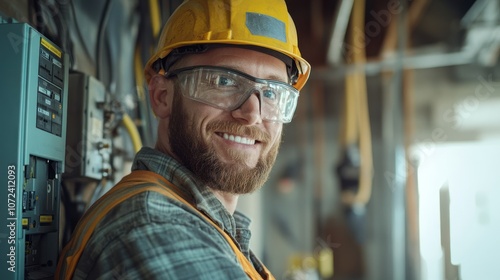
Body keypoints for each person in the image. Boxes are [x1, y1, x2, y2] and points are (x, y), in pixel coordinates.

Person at [56, 0, 310, 279]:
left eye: (272, 93)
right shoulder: (155, 230)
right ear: (162, 97)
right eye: (223, 81)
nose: (252, 114)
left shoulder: (210, 227)